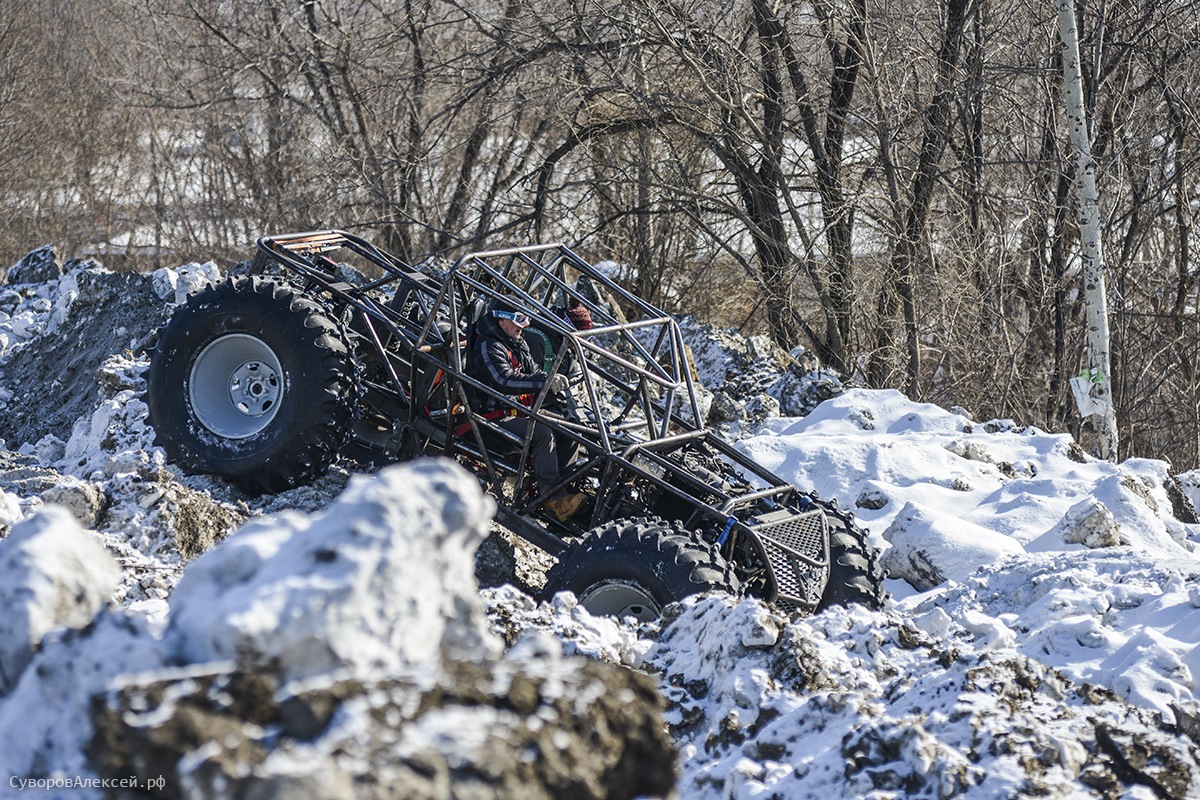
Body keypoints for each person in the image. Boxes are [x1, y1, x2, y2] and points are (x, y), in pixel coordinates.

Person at [468, 301, 587, 522]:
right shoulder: (489, 345)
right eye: (518, 320)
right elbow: (502, 380)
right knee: (541, 433)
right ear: (501, 320)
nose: (523, 326)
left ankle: (564, 492)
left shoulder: (516, 343)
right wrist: (543, 381)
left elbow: (533, 373)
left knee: (570, 428)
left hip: (518, 413)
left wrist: (553, 385)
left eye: (525, 320)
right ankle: (552, 499)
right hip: (492, 417)